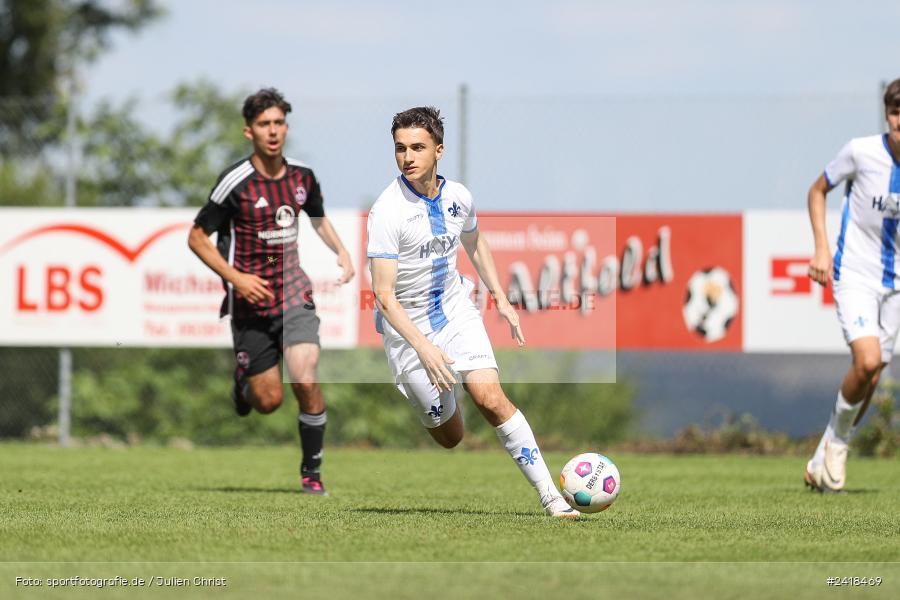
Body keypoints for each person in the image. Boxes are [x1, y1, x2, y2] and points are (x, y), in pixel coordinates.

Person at [366, 106, 579, 517]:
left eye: (417, 147)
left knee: (490, 396)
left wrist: (500, 298)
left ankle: (552, 497)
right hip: (407, 331)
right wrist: (425, 349)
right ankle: (444, 394)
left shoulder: (459, 197)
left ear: (439, 150)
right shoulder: (387, 211)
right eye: (399, 149)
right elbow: (384, 296)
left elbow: (475, 243)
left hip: (455, 308)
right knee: (451, 436)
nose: (407, 157)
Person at [188, 88, 354, 496]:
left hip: (294, 293)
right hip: (250, 303)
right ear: (250, 132)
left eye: (279, 122)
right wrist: (237, 278)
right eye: (264, 124)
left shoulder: (303, 177)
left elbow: (318, 218)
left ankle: (311, 474)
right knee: (267, 401)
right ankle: (244, 382)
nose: (273, 131)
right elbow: (196, 237)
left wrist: (343, 251)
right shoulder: (235, 182)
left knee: (305, 376)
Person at [805, 77, 900, 493]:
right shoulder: (861, 152)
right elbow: (817, 189)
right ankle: (839, 445)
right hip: (855, 274)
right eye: (896, 110)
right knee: (866, 361)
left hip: (896, 285)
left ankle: (818, 460)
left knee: (874, 373)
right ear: (887, 113)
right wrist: (822, 248)